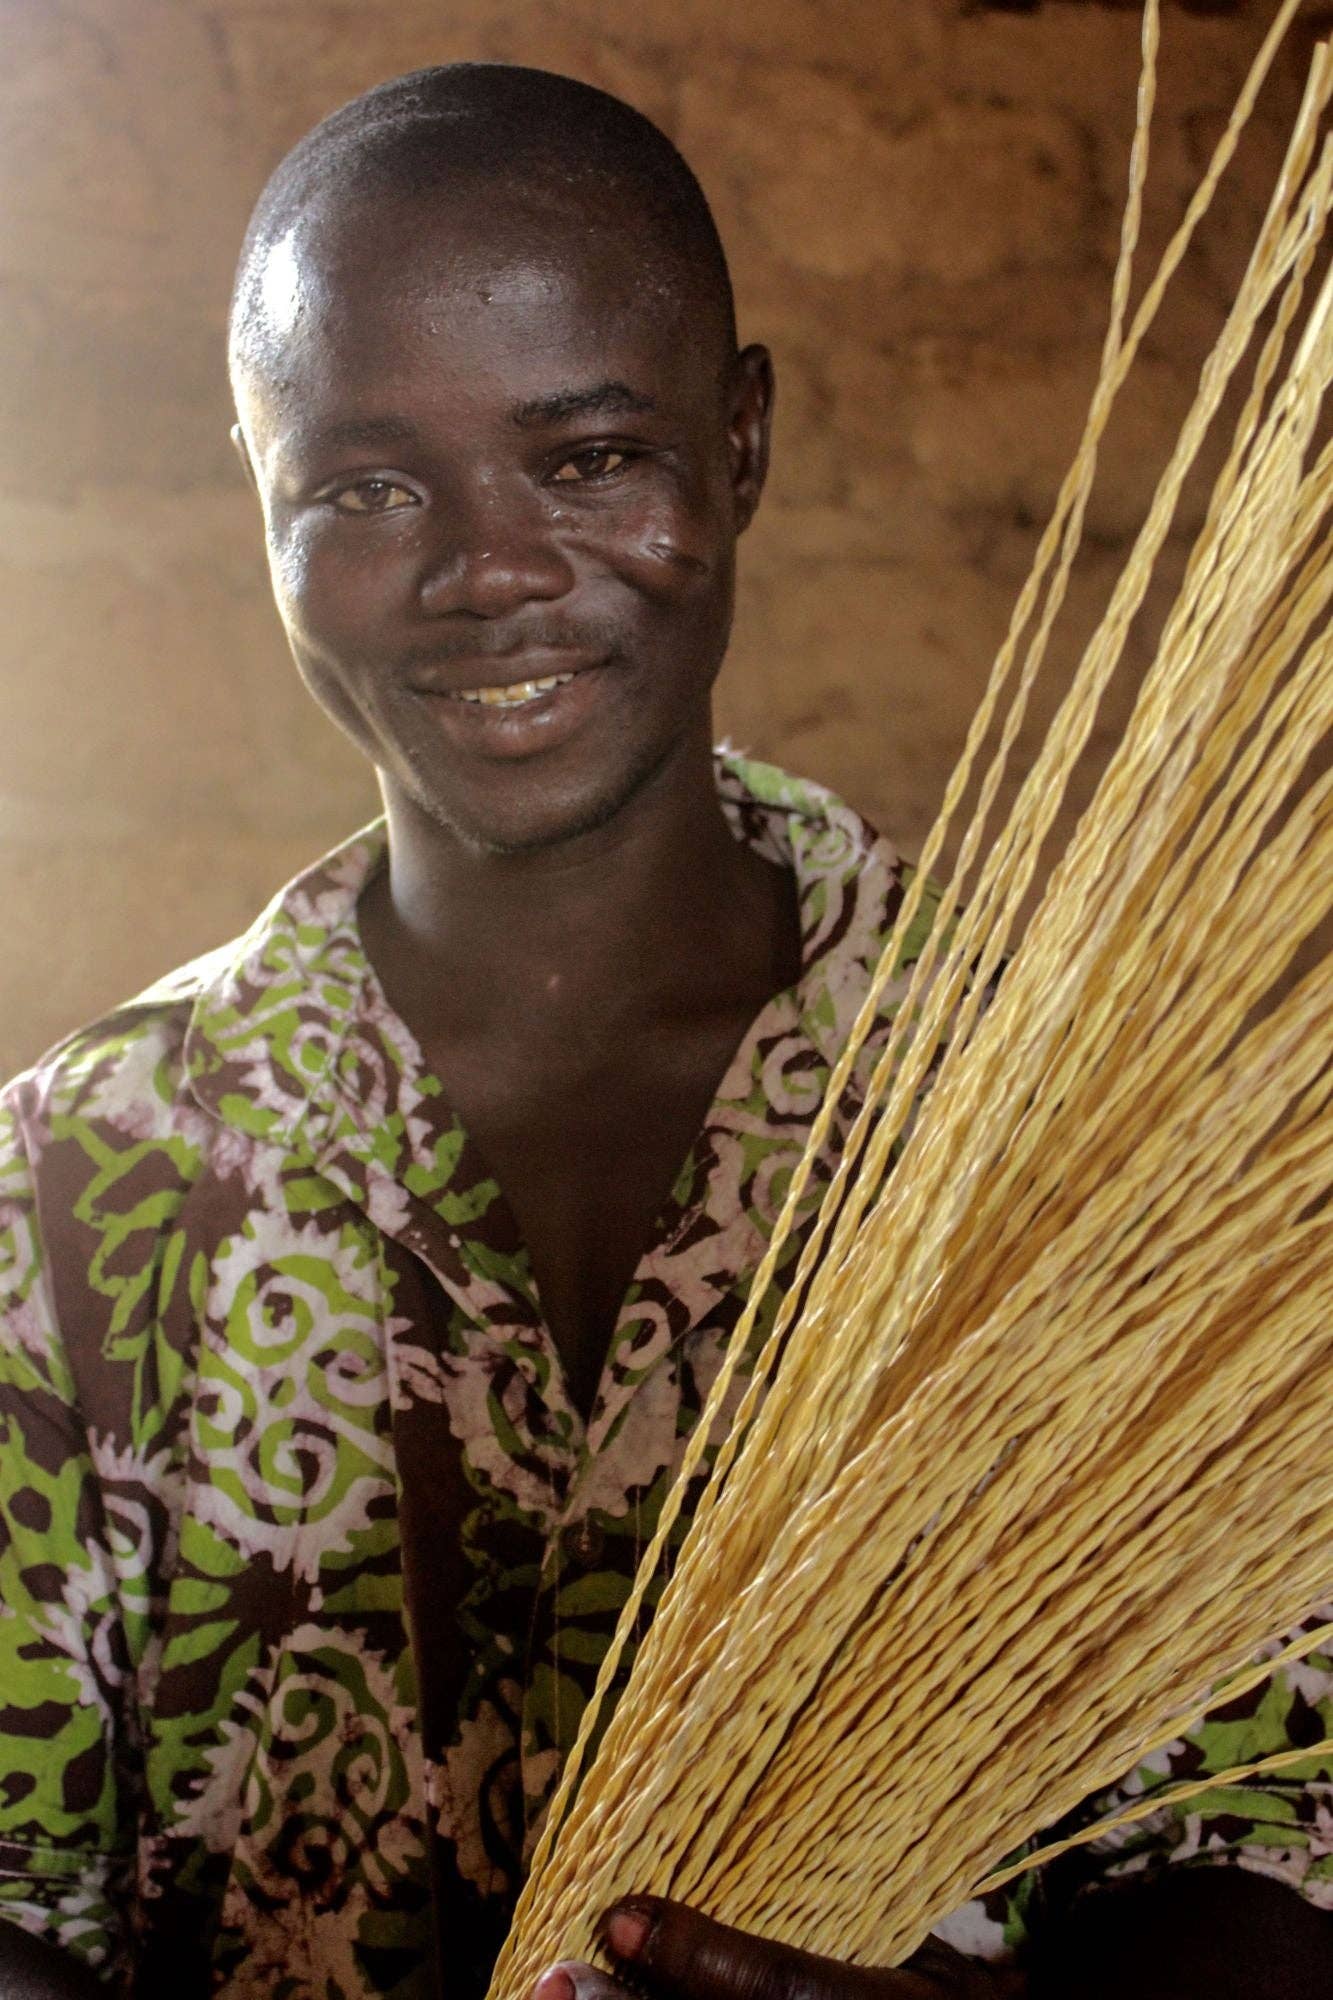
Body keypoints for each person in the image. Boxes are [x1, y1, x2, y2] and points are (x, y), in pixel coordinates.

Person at [0, 62, 1328, 2000]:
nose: (490, 570)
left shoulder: (1080, 1139)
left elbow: (1269, 1813)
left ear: (741, 440)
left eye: (589, 456)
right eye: (368, 486)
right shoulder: (63, 1192)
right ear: (259, 496)